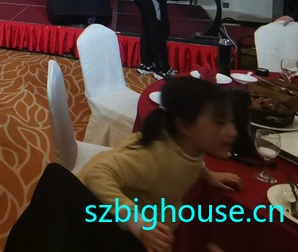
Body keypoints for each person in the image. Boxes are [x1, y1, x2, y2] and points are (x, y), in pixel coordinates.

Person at [76, 77, 241, 252]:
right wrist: (138, 223)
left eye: (230, 122)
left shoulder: (184, 144)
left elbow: (190, 157)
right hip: (116, 232)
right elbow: (96, 174)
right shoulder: (152, 158)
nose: (233, 132)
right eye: (220, 123)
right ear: (185, 126)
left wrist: (209, 175)